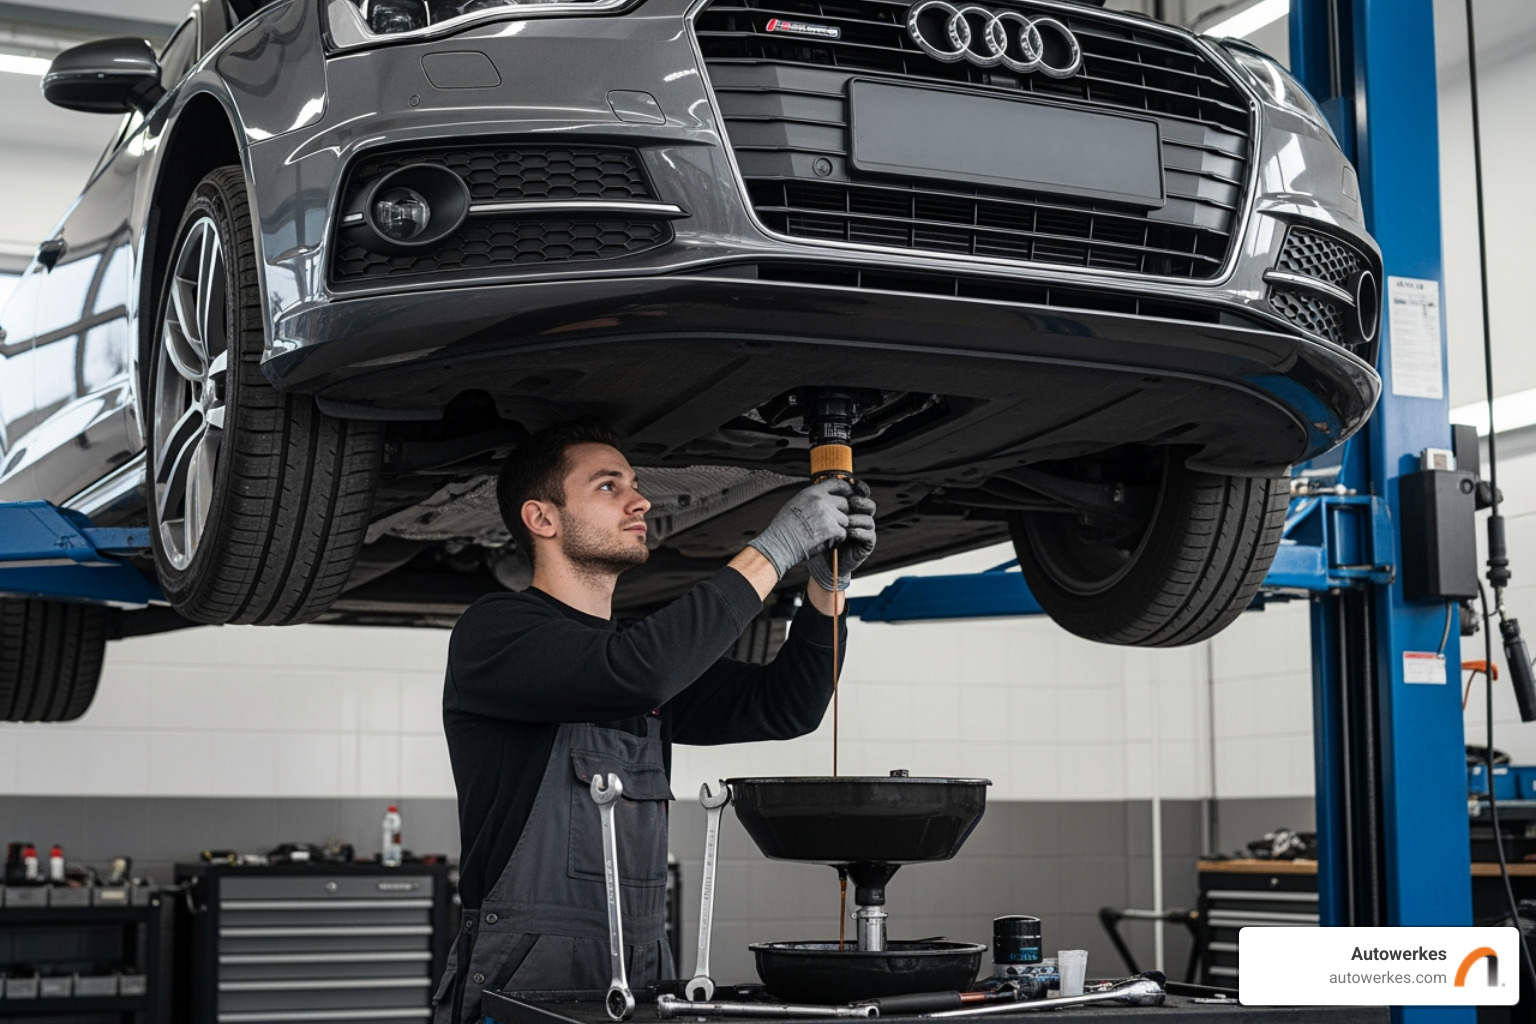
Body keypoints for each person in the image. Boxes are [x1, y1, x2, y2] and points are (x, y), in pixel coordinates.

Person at [434, 421, 876, 1024]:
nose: (641, 501)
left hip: (641, 967)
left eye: (635, 485)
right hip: (526, 976)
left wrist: (828, 584)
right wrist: (778, 545)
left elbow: (787, 706)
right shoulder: (496, 633)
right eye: (609, 487)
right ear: (543, 519)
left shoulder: (640, 659)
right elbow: (633, 674)